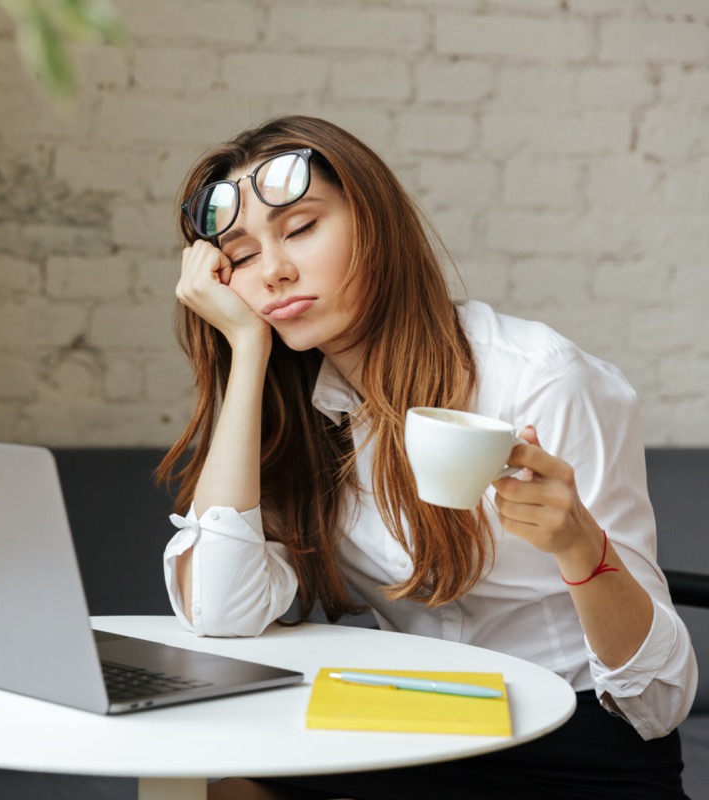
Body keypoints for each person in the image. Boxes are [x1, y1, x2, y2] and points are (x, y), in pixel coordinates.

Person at [157, 115, 696, 799]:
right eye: (240, 255)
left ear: (374, 224)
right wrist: (248, 352)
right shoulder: (295, 403)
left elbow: (660, 702)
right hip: (408, 721)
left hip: (567, 737)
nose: (275, 271)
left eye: (299, 229)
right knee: (225, 787)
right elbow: (223, 611)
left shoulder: (543, 380)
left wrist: (580, 547)